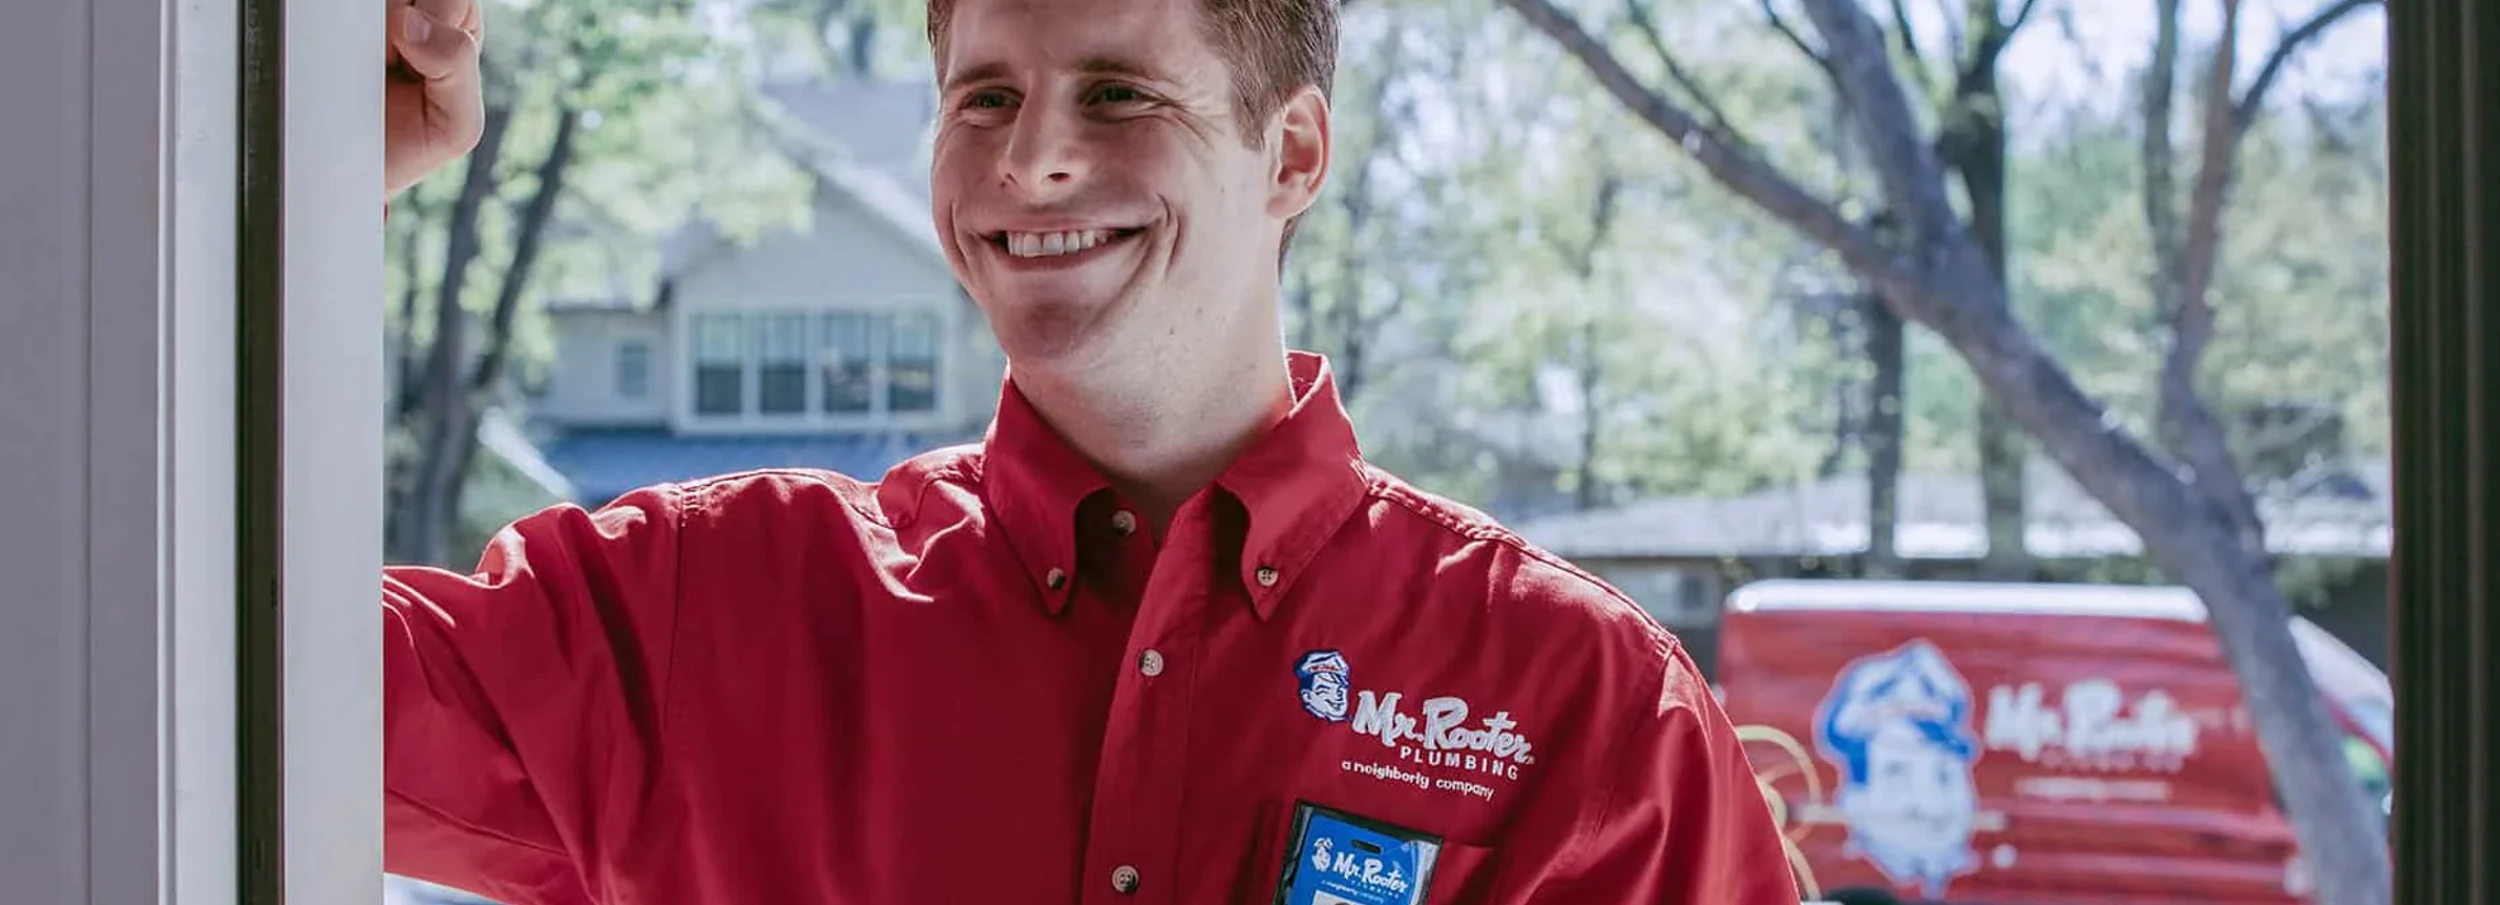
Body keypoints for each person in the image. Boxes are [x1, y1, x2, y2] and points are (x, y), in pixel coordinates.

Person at [380, 0, 1803, 901]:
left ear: (1293, 154)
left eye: (1120, 92)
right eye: (984, 98)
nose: (1032, 160)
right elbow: (211, 678)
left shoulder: (1580, 705)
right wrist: (297, 188)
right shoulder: (705, 610)